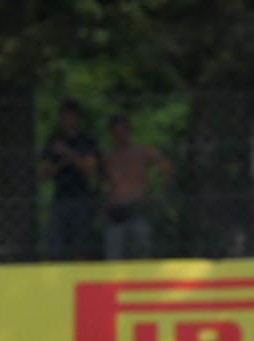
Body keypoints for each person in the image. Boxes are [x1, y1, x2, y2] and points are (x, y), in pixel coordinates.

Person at [101, 114, 171, 260]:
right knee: (114, 255)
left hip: (138, 209)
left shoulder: (142, 152)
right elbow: (98, 182)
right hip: (116, 212)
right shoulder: (107, 156)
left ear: (128, 131)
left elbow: (166, 170)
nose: (119, 135)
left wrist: (160, 193)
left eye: (122, 130)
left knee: (141, 253)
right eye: (116, 131)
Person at [41, 99, 101, 260]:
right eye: (65, 116)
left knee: (81, 243)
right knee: (55, 244)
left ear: (78, 118)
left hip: (81, 197)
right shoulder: (53, 141)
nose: (68, 119)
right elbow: (46, 173)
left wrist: (67, 154)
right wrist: (67, 161)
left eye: (71, 116)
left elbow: (89, 169)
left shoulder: (87, 141)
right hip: (60, 197)